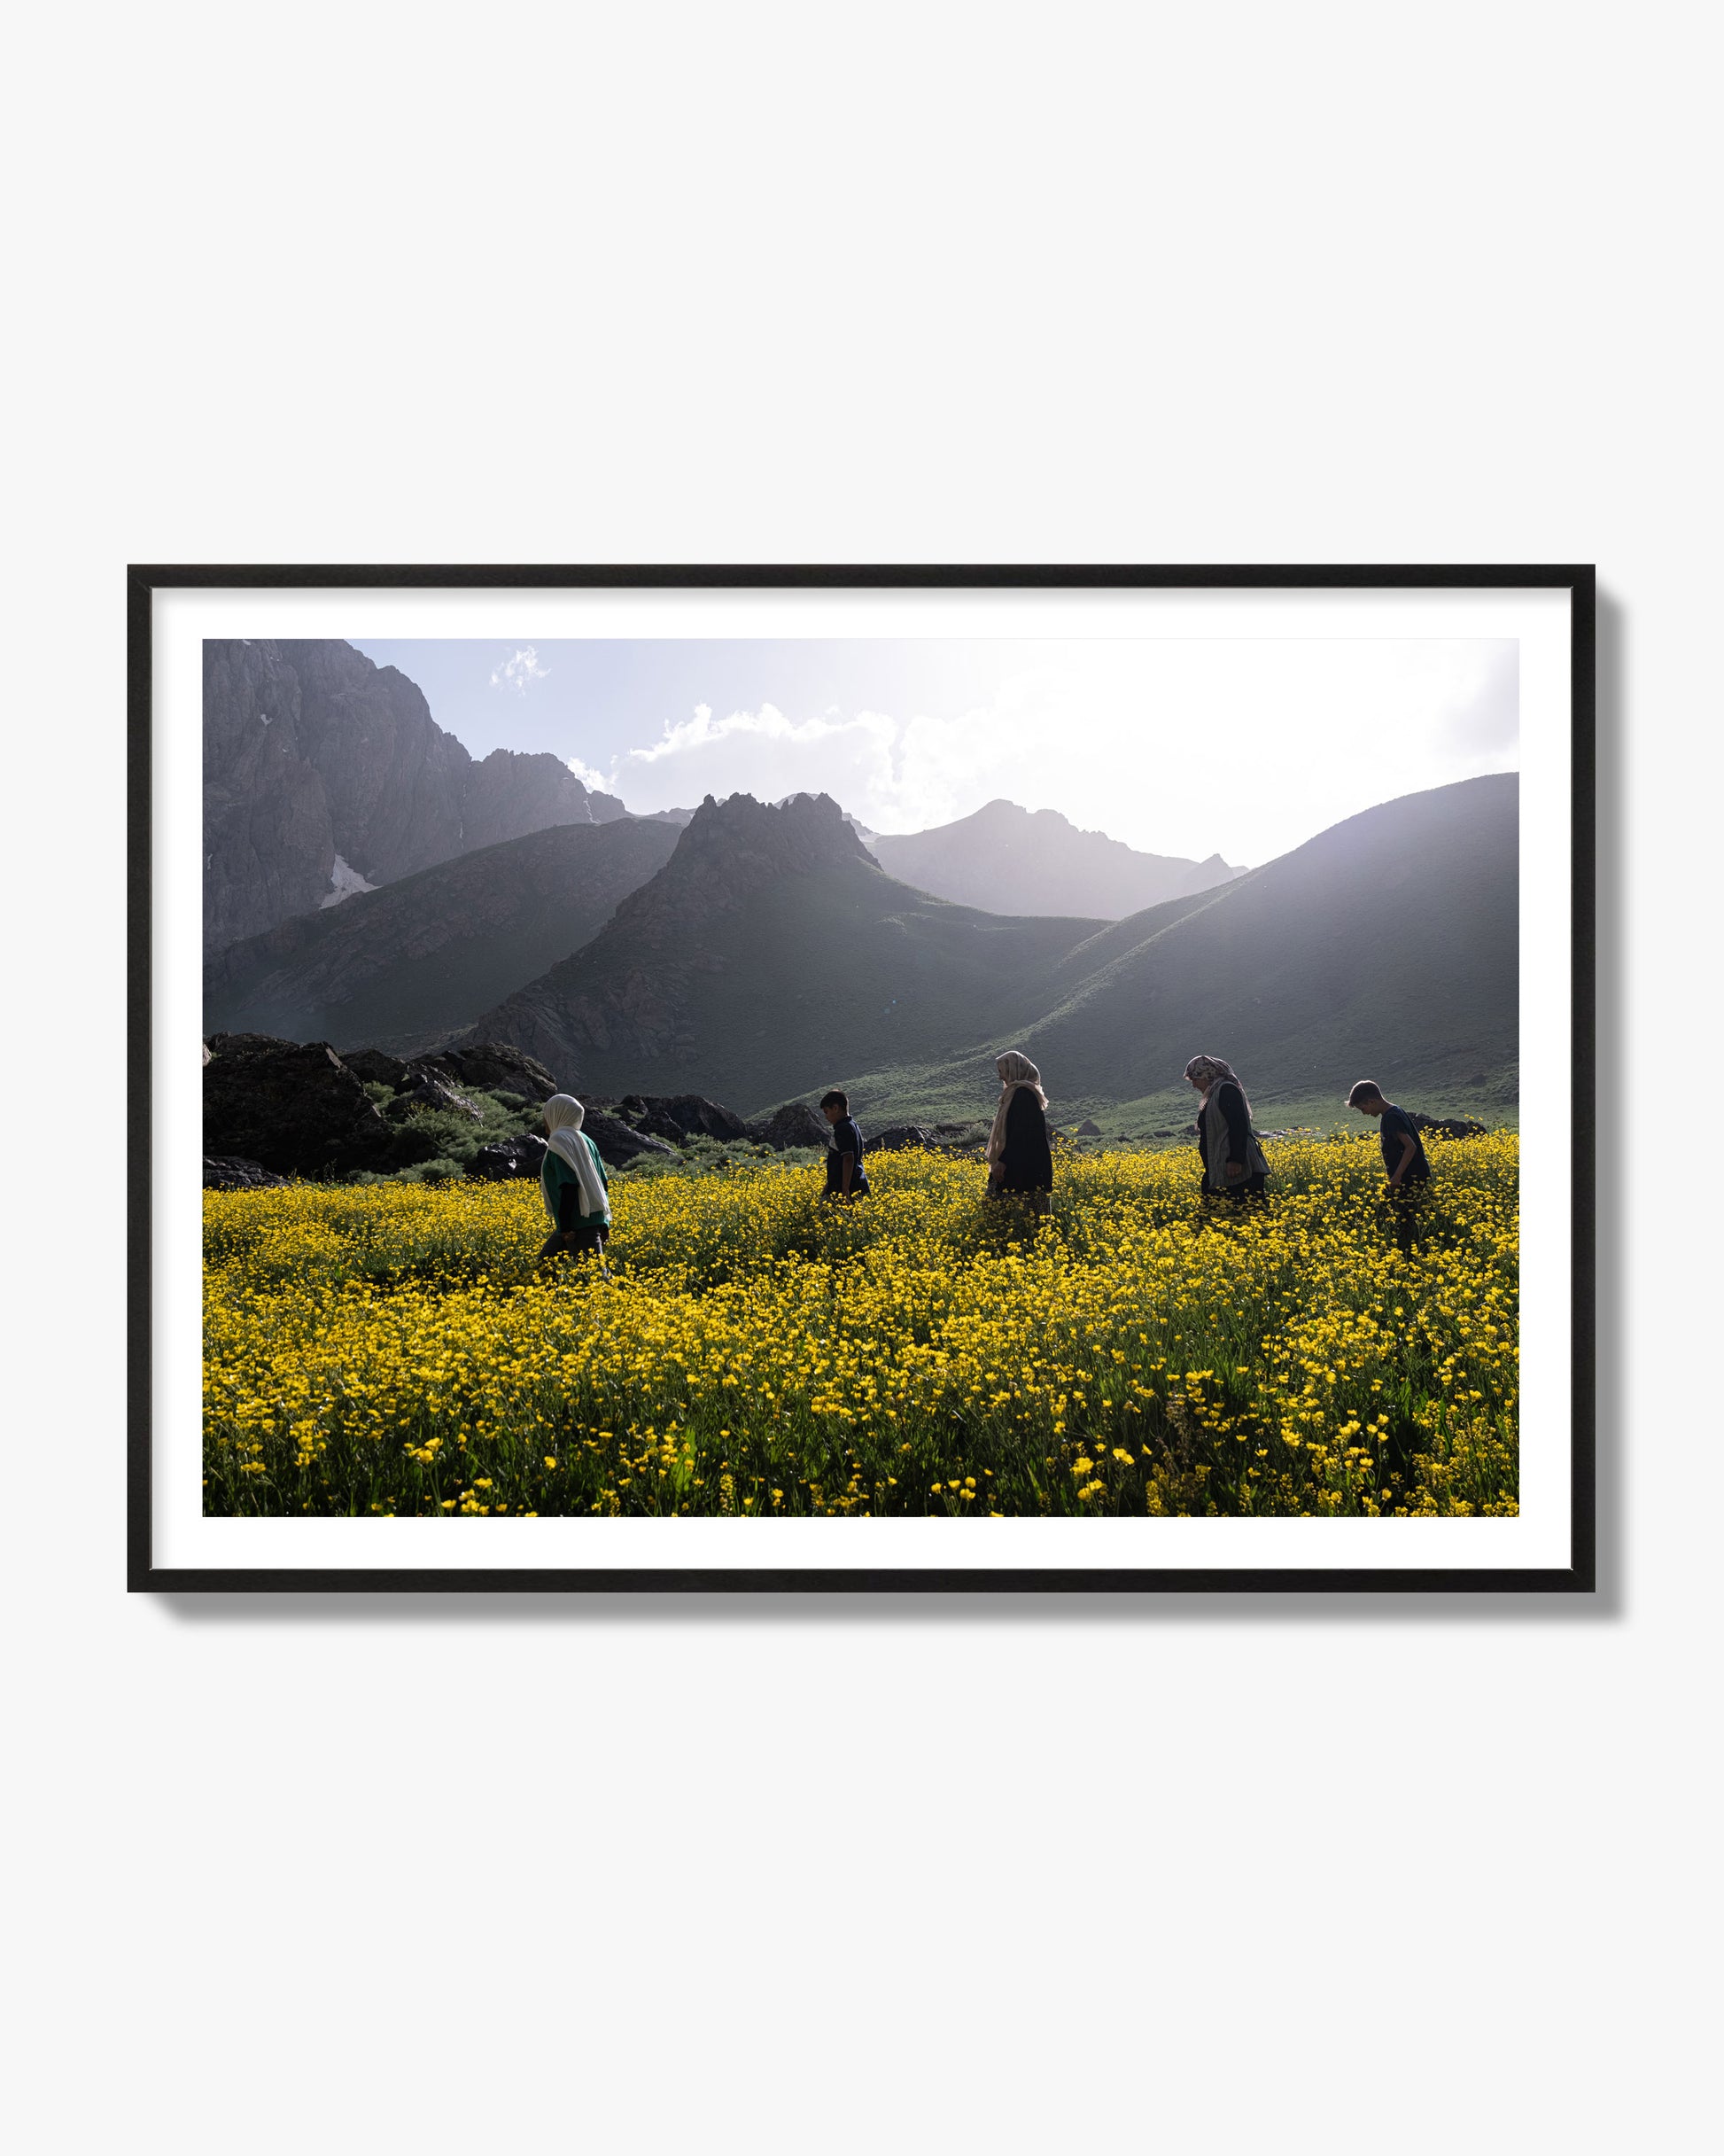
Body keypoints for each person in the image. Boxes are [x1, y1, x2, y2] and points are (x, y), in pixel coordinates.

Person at [1347, 1079, 1430, 1252]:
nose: (1364, 1113)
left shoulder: (1392, 1117)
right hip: (1407, 1176)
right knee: (1397, 1213)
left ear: (1371, 1101)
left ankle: (1409, 1251)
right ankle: (1404, 1247)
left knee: (1404, 1218)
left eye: (1363, 1108)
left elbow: (1410, 1146)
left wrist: (1397, 1176)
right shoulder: (1393, 1112)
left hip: (1410, 1177)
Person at [537, 1094, 611, 1265]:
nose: (544, 1120)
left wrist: (565, 1227)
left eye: (546, 1114)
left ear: (557, 1114)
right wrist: (604, 1220)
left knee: (596, 1276)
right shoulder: (586, 1140)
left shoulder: (559, 1140)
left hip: (577, 1223)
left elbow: (569, 1185)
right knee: (546, 1265)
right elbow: (603, 1182)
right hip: (591, 1218)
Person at [1184, 1055, 1270, 1201]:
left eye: (1195, 1079)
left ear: (1206, 1075)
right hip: (1222, 1167)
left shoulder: (1226, 1090)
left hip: (1238, 1170)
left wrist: (1236, 1160)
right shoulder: (1215, 1094)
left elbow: (1238, 1126)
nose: (1194, 1085)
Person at [984, 1049, 1053, 1213]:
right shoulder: (1019, 1093)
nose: (1000, 1077)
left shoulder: (1023, 1095)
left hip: (1022, 1168)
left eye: (1002, 1072)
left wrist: (1003, 1161)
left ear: (1013, 1070)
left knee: (1005, 1213)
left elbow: (1021, 1134)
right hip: (1023, 1164)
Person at [820, 1089, 870, 1201]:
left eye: (826, 1112)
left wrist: (845, 1189)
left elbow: (848, 1158)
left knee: (824, 1214)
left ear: (835, 1108)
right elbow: (838, 1160)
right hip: (857, 1183)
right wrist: (828, 1184)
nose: (826, 1117)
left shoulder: (842, 1129)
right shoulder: (852, 1125)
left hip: (847, 1188)